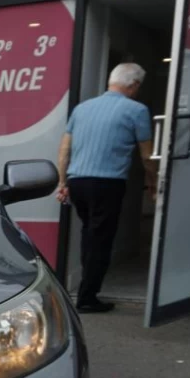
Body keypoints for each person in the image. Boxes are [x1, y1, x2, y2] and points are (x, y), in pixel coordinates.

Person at [55, 62, 158, 313]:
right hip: (107, 183)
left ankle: (86, 289)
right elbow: (147, 156)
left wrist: (62, 182)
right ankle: (88, 298)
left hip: (78, 182)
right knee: (101, 240)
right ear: (133, 86)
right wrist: (154, 183)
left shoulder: (82, 108)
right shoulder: (136, 110)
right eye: (138, 87)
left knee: (90, 235)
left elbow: (64, 149)